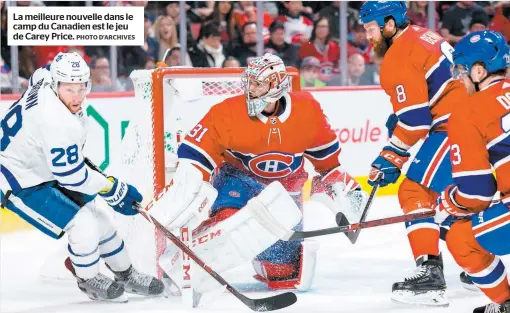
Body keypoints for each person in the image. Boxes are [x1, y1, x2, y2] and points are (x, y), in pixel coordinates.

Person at [149, 53, 366, 294]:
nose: (250, 89)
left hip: (283, 192)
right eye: (249, 82)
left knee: (284, 275)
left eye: (258, 84)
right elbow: (196, 154)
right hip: (238, 179)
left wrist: (342, 192)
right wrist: (187, 191)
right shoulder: (228, 111)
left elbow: (327, 162)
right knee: (227, 225)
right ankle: (181, 263)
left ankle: (265, 257)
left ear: (277, 86)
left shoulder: (307, 110)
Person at [0, 52, 164, 302]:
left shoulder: (46, 79)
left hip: (38, 163)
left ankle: (126, 273)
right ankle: (88, 278)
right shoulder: (56, 121)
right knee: (83, 223)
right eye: (69, 89)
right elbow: (70, 175)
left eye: (81, 88)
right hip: (15, 178)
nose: (77, 97)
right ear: (56, 85)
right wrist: (112, 188)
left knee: (100, 217)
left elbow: (38, 73)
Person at [359, 1, 470, 306]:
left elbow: (415, 122)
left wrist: (392, 153)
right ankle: (479, 262)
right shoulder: (423, 34)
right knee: (453, 196)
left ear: (390, 24)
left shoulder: (397, 55)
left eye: (371, 28)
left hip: (457, 125)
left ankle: (430, 274)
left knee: (414, 190)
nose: (368, 37)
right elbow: (430, 92)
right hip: (479, 119)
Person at [434, 30, 510, 313]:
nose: (458, 78)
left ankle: (506, 303)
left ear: (480, 71)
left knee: (460, 237)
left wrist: (449, 202)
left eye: (462, 70)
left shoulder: (468, 112)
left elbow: (476, 194)